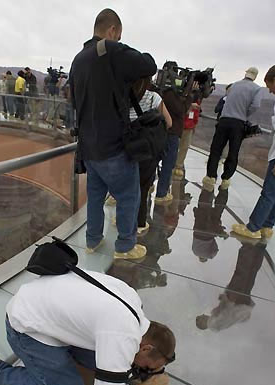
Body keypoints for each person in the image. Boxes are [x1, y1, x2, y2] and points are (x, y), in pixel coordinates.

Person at [0, 270, 175, 385]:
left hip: (37, 301)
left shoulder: (132, 302)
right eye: (146, 366)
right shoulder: (122, 334)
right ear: (145, 348)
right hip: (25, 327)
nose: (141, 370)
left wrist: (127, 372)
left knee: (103, 362)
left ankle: (60, 360)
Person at [69, 8, 157, 260]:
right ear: (112, 31)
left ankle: (93, 241)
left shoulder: (79, 58)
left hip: (88, 147)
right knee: (129, 195)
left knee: (95, 197)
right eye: (118, 36)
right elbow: (148, 64)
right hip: (113, 146)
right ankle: (125, 247)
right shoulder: (110, 49)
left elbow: (74, 100)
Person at [232, 64, 275, 239]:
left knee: (269, 191)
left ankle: (253, 228)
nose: (270, 91)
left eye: (269, 86)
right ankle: (267, 226)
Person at [203, 67, 262, 190]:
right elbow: (256, 106)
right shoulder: (257, 89)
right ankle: (226, 178)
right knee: (233, 152)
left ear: (246, 73)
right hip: (238, 124)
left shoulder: (234, 85)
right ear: (255, 76)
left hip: (224, 121)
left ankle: (210, 177)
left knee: (216, 149)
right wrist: (245, 114)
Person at [129, 76, 172, 234]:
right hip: (146, 149)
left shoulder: (119, 94)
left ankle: (122, 219)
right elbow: (169, 122)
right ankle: (139, 224)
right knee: (142, 186)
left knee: (124, 186)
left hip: (125, 147)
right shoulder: (153, 97)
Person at [155, 62, 194, 204]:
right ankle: (161, 194)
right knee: (168, 163)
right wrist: (189, 96)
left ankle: (149, 189)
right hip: (171, 132)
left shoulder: (159, 89)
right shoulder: (169, 92)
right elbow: (180, 110)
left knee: (154, 160)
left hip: (159, 130)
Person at [173, 96, 201, 178]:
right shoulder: (183, 98)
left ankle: (179, 165)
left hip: (189, 127)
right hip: (179, 126)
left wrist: (194, 124)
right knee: (174, 146)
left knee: (184, 147)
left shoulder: (197, 100)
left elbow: (196, 114)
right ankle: (171, 163)